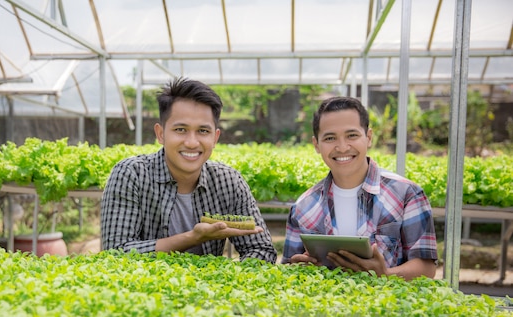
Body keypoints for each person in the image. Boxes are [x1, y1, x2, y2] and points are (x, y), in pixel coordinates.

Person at [100, 77, 277, 263]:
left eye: (203, 131)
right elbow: (116, 253)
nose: (192, 143)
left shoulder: (228, 181)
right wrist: (192, 238)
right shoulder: (131, 174)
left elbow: (261, 249)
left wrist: (228, 282)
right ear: (160, 134)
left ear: (215, 138)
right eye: (181, 130)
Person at [282, 96, 438, 280]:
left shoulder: (406, 194)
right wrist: (299, 268)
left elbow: (427, 268)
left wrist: (385, 275)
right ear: (317, 145)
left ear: (369, 137)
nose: (342, 147)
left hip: (387, 307)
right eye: (330, 138)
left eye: (352, 135)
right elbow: (289, 268)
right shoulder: (303, 207)